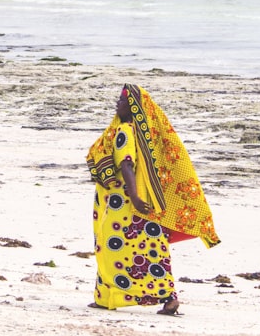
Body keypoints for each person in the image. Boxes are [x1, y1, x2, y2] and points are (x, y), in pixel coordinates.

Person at [85, 84, 220, 315]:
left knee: (110, 249)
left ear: (133, 106)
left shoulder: (125, 131)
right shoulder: (146, 135)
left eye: (122, 101)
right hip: (148, 205)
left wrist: (135, 196)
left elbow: (126, 164)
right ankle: (167, 298)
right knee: (152, 250)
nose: (117, 104)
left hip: (125, 204)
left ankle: (108, 297)